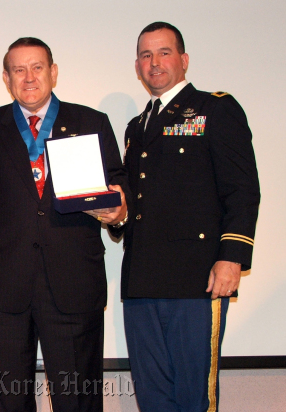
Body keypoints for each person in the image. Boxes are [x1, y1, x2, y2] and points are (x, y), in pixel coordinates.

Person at [0, 37, 129, 412]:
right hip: (3, 286)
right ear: (6, 78)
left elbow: (117, 183)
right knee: (6, 398)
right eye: (18, 70)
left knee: (78, 399)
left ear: (54, 72)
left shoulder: (91, 122)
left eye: (37, 67)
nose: (28, 77)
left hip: (74, 283)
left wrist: (119, 209)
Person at [111, 22, 260, 411]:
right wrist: (114, 213)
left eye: (163, 52)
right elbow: (133, 204)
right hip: (142, 280)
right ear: (137, 66)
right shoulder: (135, 127)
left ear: (184, 59)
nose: (154, 63)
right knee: (153, 395)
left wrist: (231, 257)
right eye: (145, 55)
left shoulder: (215, 108)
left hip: (196, 279)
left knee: (194, 395)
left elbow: (242, 189)